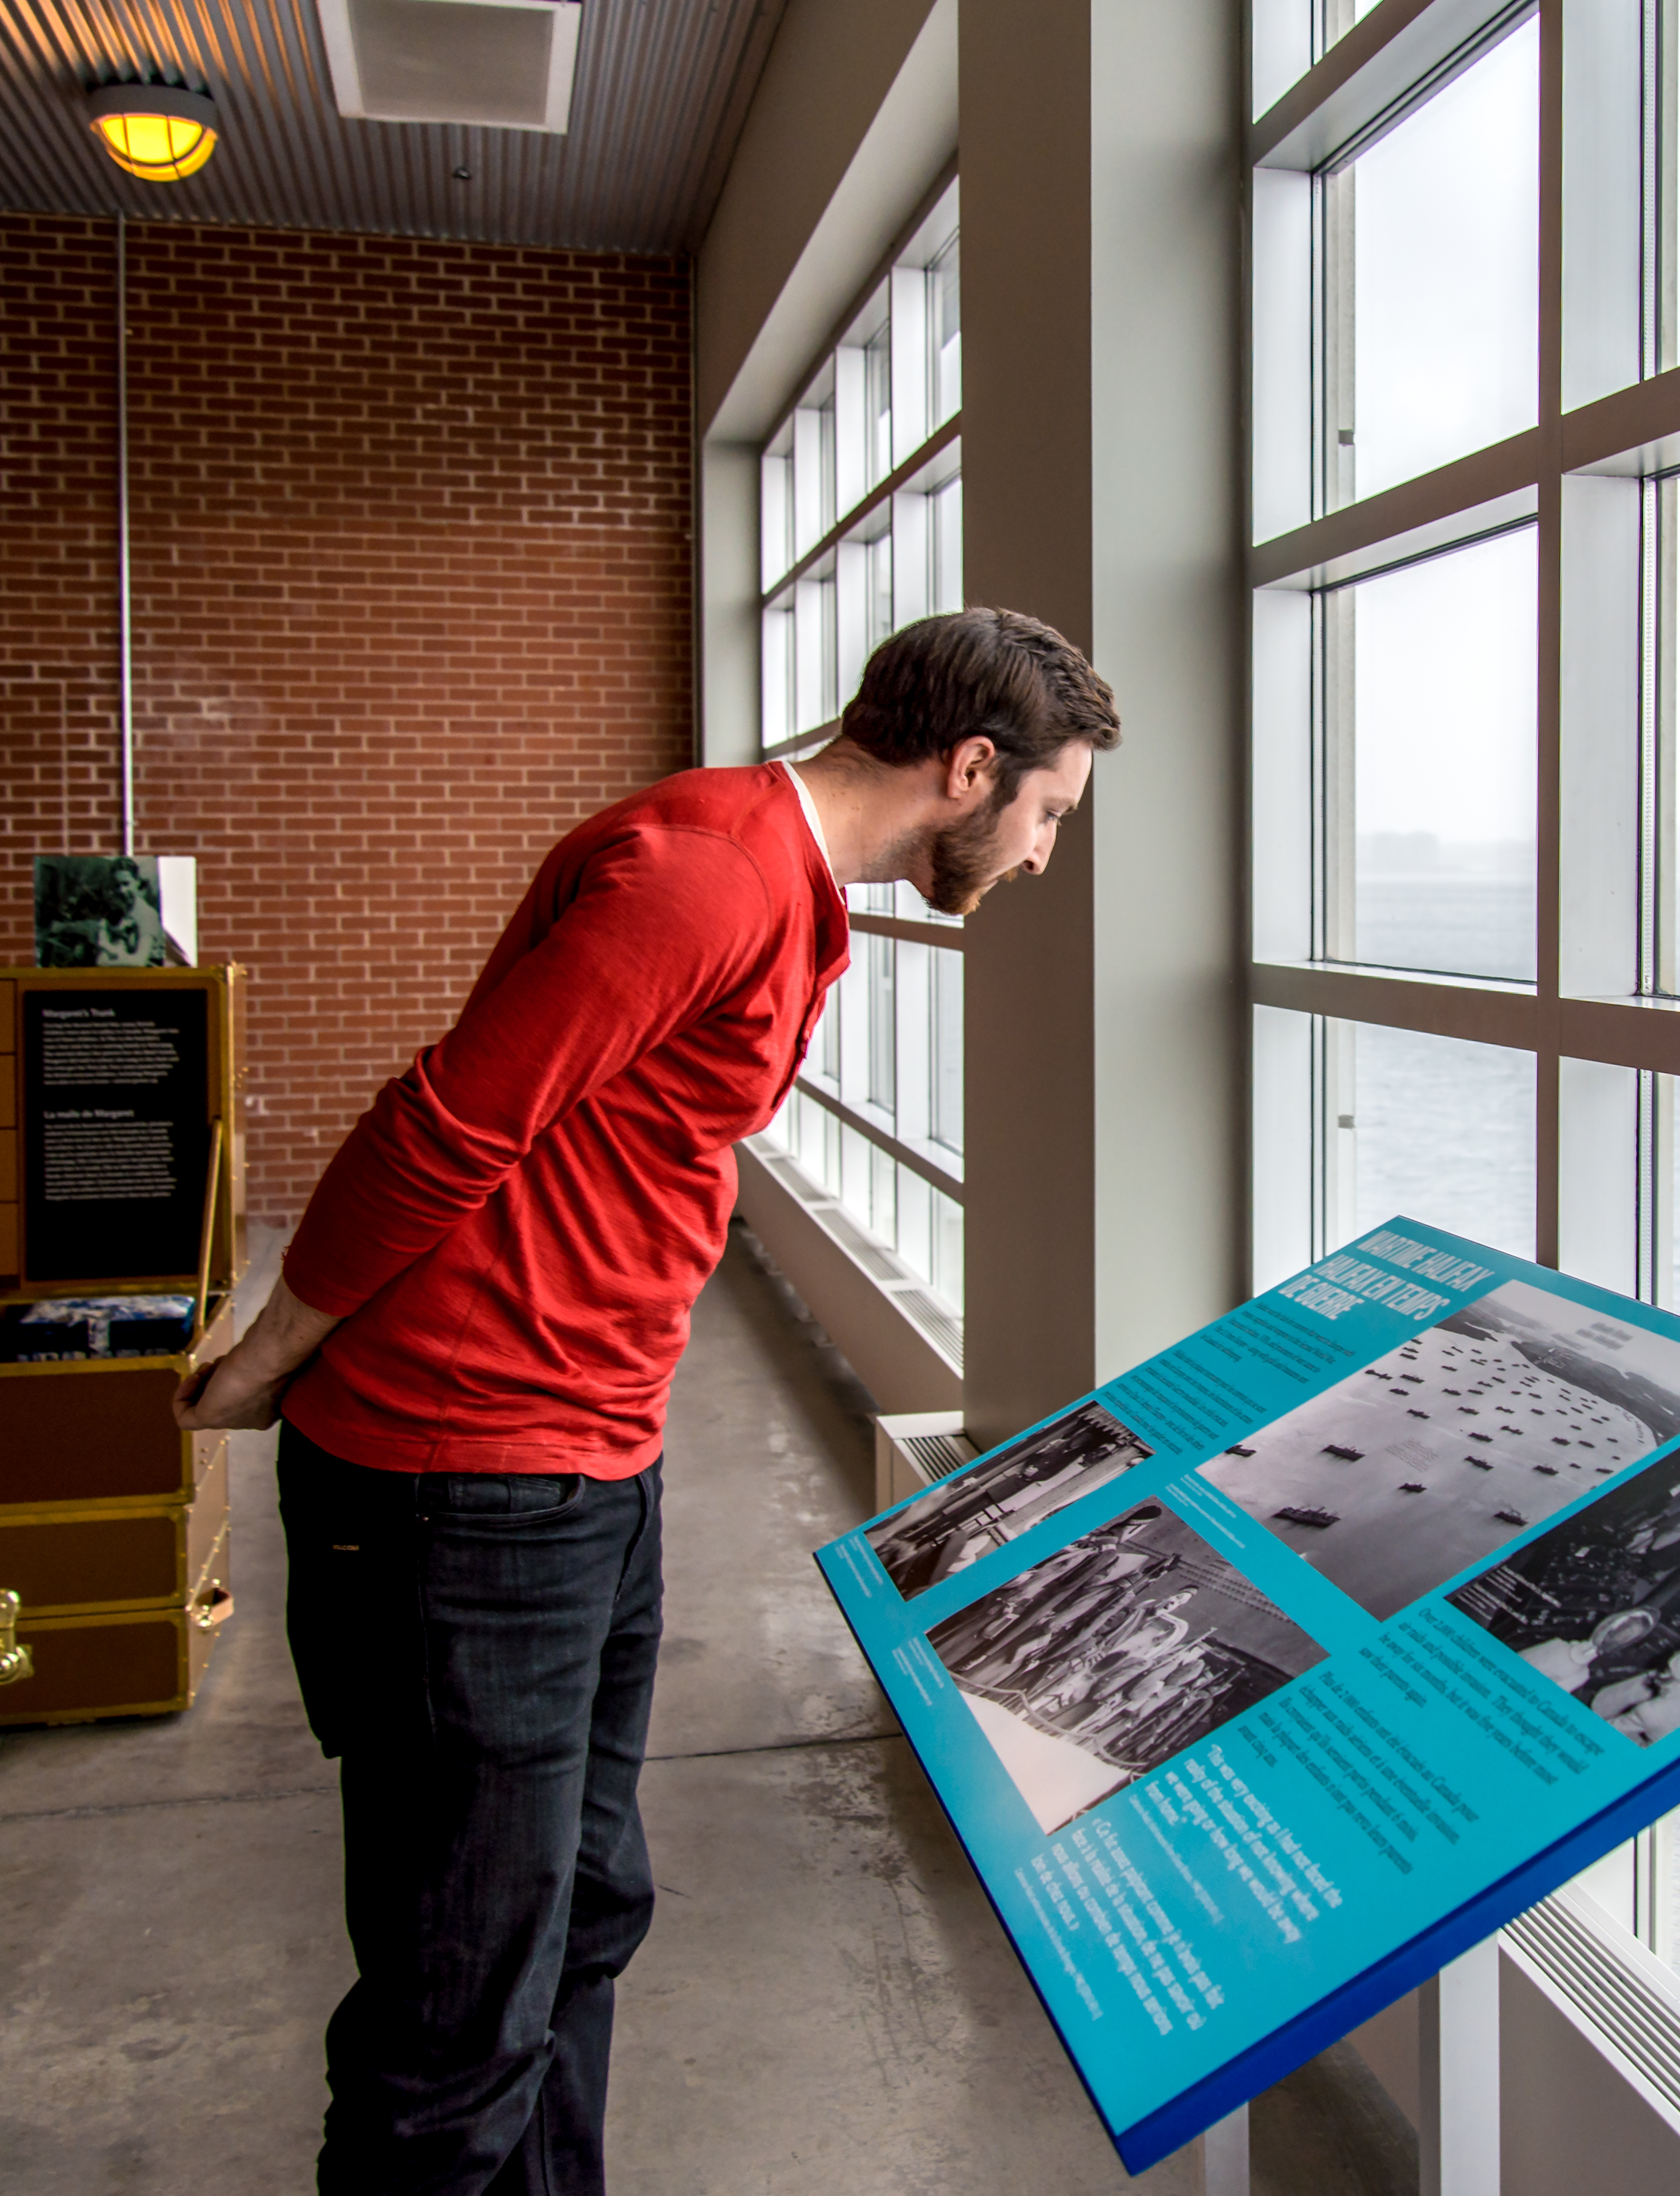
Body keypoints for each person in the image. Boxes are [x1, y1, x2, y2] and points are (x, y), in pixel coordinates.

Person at [172, 608, 1121, 2196]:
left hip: (583, 1469)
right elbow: (446, 1124)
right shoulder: (709, 873)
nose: (1038, 857)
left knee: (584, 1916)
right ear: (970, 770)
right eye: (1047, 815)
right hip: (460, 1484)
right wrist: (276, 1352)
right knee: (454, 2020)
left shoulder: (776, 878)